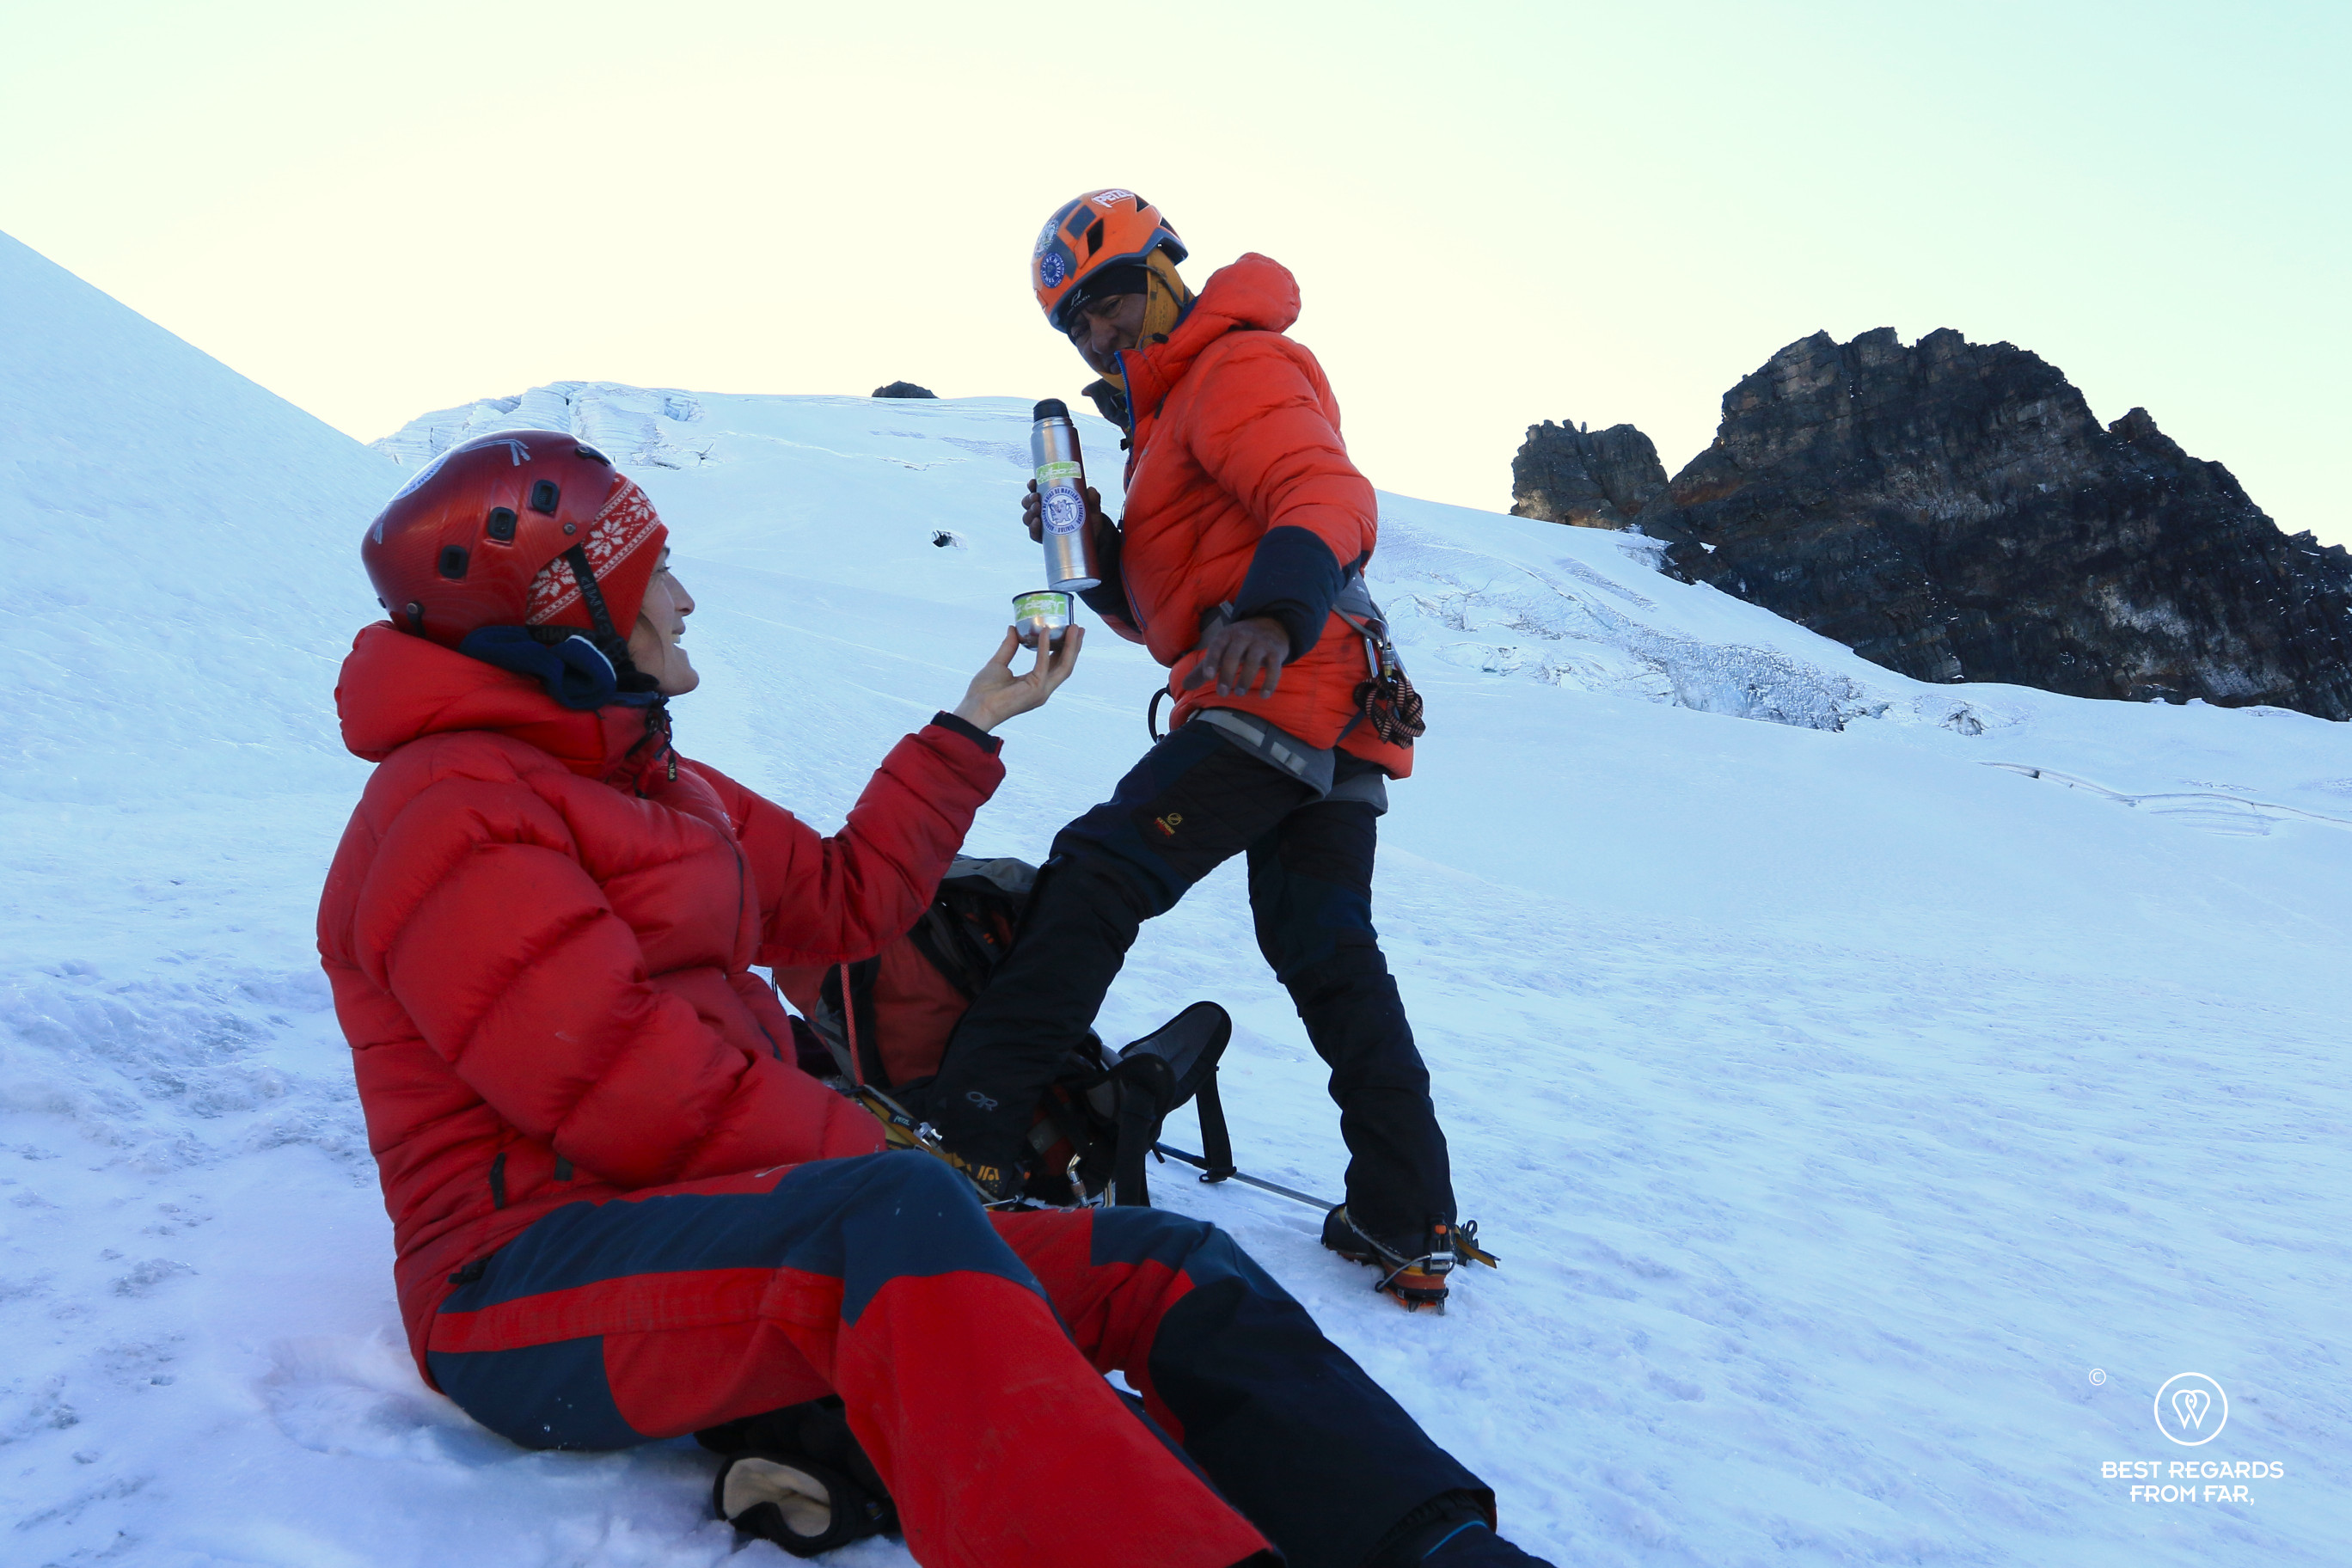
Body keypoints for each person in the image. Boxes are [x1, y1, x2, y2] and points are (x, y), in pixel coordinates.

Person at [316, 431, 1550, 1568]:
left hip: (735, 1220)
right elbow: (631, 1095)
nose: (684, 598)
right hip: (521, 1286)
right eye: (653, 575)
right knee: (898, 1215)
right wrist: (902, 1155)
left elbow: (848, 899)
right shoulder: (449, 816)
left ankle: (1439, 1549)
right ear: (565, 612)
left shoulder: (658, 786)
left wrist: (976, 720)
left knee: (1158, 1259)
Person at [916, 190, 1472, 1310]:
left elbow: (1322, 492)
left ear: (1169, 270)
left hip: (1278, 685)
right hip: (1324, 699)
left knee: (1100, 869)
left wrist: (1274, 613)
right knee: (1323, 949)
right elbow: (1171, 607)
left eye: (1111, 298)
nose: (1098, 333)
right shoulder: (1165, 419)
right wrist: (1102, 558)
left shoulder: (1234, 367)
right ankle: (1406, 1216)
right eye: (1075, 323)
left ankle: (967, 1142)